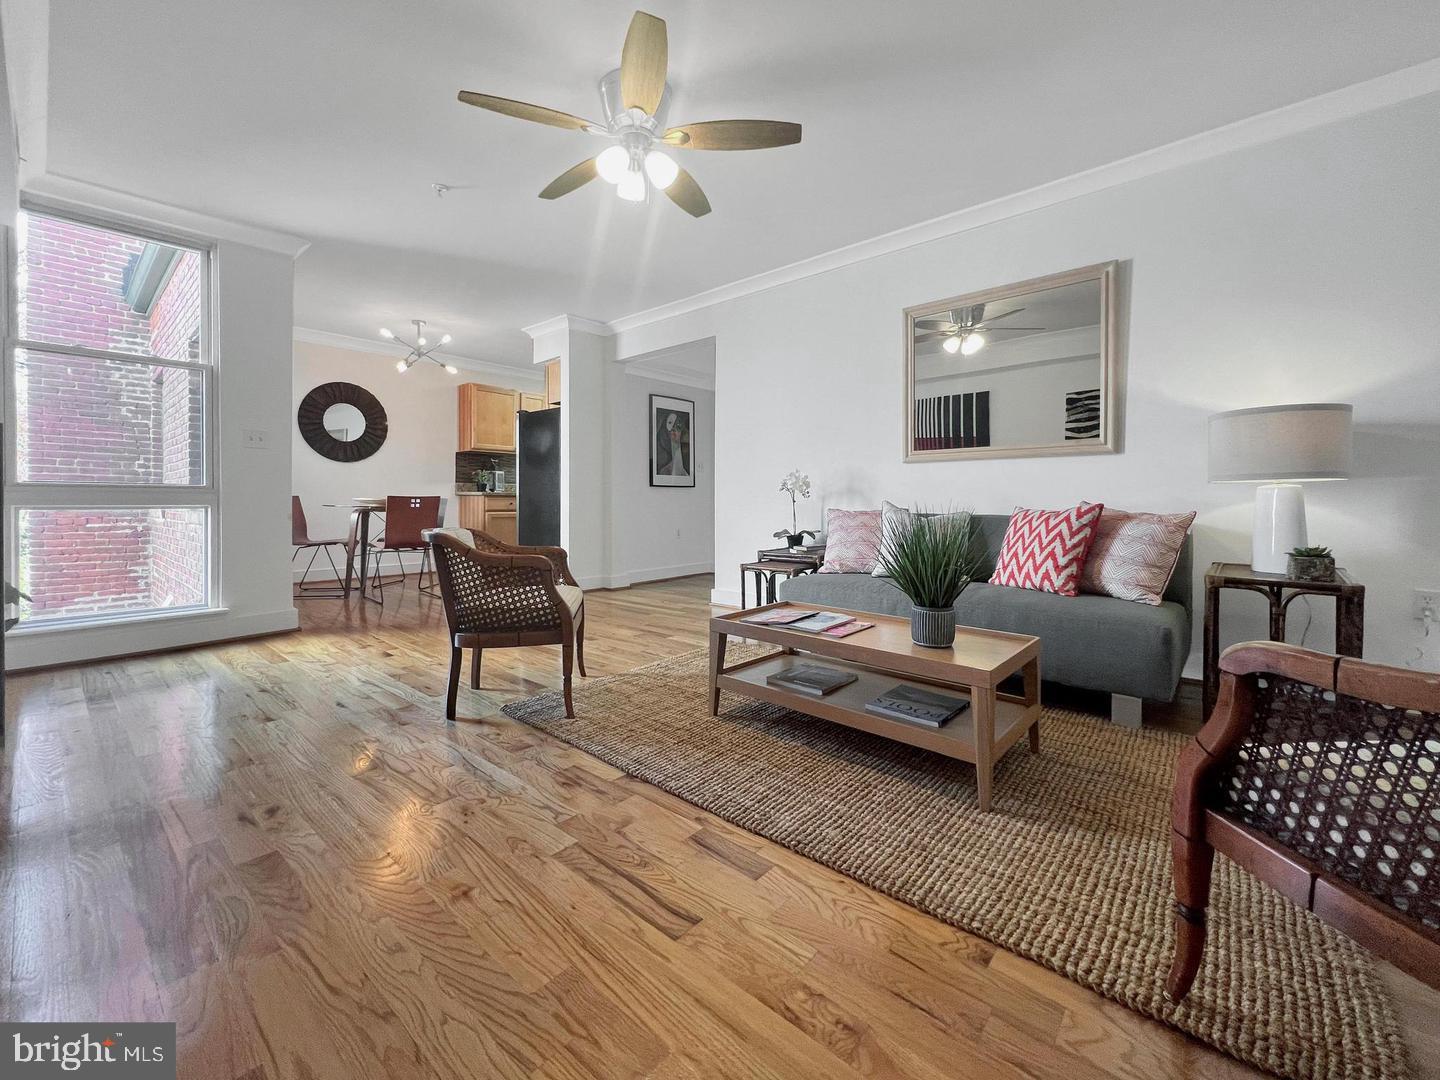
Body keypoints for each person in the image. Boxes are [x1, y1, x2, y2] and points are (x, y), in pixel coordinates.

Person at [655, 410, 690, 477]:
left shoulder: (686, 474)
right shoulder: (664, 472)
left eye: (678, 424)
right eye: (670, 423)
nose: (674, 429)